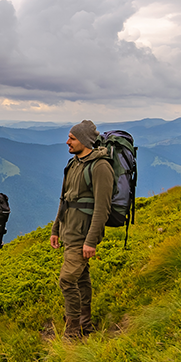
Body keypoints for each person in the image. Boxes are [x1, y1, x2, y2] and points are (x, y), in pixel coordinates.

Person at [49, 120, 113, 338]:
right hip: (69, 232)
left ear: (85, 141)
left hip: (82, 235)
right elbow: (64, 199)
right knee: (81, 279)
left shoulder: (100, 166)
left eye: (72, 138)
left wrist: (91, 241)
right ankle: (85, 324)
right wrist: (56, 229)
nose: (67, 141)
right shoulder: (74, 163)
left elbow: (102, 208)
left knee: (67, 280)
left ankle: (73, 330)